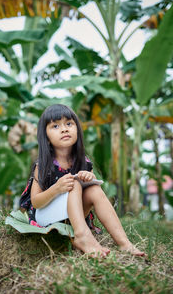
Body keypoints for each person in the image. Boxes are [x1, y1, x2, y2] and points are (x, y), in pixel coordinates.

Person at [30, 104, 145, 257]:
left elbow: (91, 192)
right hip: (46, 216)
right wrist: (56, 188)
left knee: (94, 189)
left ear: (77, 128)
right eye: (55, 126)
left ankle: (124, 243)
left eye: (69, 124)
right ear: (46, 137)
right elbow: (36, 202)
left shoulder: (83, 161)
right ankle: (82, 236)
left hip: (72, 217)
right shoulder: (43, 164)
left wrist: (90, 178)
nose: (64, 129)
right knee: (75, 183)